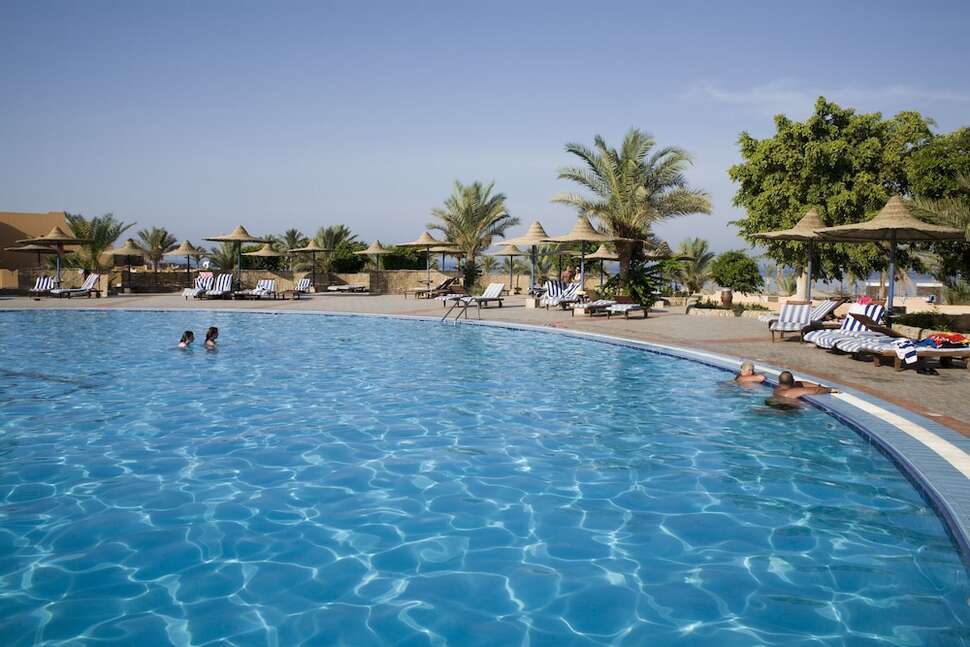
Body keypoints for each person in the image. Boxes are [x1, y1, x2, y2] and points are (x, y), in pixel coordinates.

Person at [773, 371, 838, 400]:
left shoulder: (777, 389)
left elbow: (799, 383)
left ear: (779, 382)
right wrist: (830, 389)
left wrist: (818, 385)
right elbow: (815, 391)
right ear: (793, 381)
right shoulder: (793, 391)